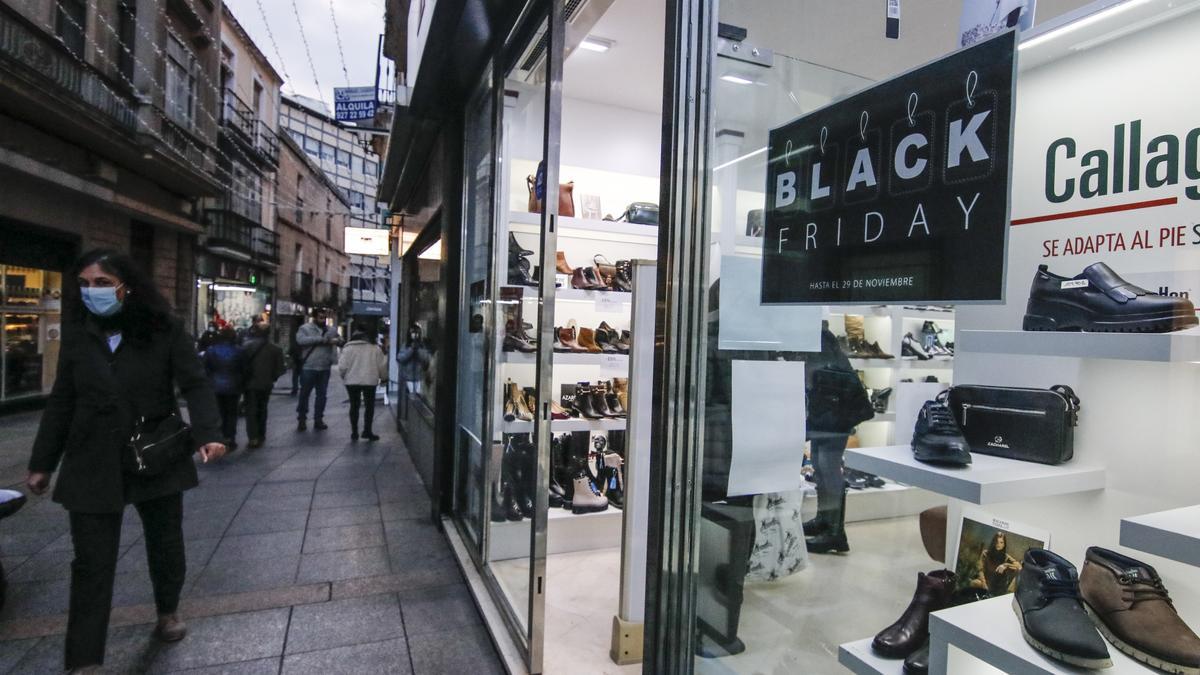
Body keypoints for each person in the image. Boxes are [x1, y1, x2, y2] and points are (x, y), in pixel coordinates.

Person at [25, 249, 225, 673]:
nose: (91, 292)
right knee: (91, 561)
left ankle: (167, 610)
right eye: (84, 284)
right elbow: (63, 400)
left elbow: (194, 383)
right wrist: (43, 462)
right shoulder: (81, 334)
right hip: (91, 458)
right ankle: (84, 659)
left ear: (126, 286)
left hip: (155, 451)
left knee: (165, 543)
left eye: (101, 283)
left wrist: (209, 434)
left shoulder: (163, 329)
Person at [338, 324, 388, 441]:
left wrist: (344, 376)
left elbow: (342, 367)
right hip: (370, 381)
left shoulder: (347, 348)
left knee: (354, 406)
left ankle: (354, 432)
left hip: (351, 381)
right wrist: (384, 378)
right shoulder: (375, 348)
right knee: (369, 406)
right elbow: (382, 366)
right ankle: (367, 431)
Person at [240, 322, 286, 448]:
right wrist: (272, 377)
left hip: (249, 384)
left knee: (251, 410)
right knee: (262, 409)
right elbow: (281, 369)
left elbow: (240, 365)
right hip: (266, 384)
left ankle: (253, 437)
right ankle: (261, 434)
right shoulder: (275, 349)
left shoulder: (246, 347)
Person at [295, 309, 340, 431]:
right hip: (309, 366)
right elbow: (300, 341)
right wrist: (322, 340)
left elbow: (340, 340)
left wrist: (337, 341)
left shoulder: (331, 329)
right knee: (305, 394)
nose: (322, 319)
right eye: (320, 317)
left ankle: (318, 419)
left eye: (324, 317)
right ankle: (302, 419)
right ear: (314, 317)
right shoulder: (305, 328)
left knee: (322, 395)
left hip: (324, 367)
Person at [202, 327, 244, 451]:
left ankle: (218, 437)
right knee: (231, 413)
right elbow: (243, 369)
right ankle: (230, 438)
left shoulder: (211, 350)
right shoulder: (239, 351)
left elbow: (205, 368)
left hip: (215, 386)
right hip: (233, 386)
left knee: (218, 413)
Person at [971, 532, 1023, 596]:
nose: (998, 544)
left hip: (998, 587)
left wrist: (1006, 565)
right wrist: (984, 584)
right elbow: (980, 570)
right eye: (996, 542)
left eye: (1001, 542)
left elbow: (1019, 567)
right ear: (993, 542)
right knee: (974, 583)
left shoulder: (1006, 557)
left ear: (1004, 544)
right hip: (985, 583)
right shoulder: (985, 553)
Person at [396, 322, 430, 396]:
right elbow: (400, 358)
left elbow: (426, 359)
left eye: (417, 333)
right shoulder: (405, 345)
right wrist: (411, 349)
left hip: (419, 378)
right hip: (408, 377)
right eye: (413, 333)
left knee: (418, 397)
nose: (415, 335)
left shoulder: (422, 346)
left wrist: (417, 350)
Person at [287, 322, 302, 395]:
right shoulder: (304, 343)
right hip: (302, 361)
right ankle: (301, 389)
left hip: (297, 361)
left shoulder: (295, 343)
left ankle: (295, 389)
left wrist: (289, 356)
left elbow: (290, 351)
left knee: (295, 377)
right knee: (301, 377)